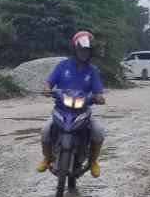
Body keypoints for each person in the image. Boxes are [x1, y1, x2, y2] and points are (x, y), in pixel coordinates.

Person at [36, 30, 107, 177]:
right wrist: (47, 89)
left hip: (83, 111)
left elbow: (98, 90)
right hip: (61, 109)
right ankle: (47, 157)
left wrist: (99, 97)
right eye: (82, 50)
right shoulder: (63, 66)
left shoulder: (92, 71)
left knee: (98, 132)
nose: (84, 53)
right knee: (45, 131)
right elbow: (49, 82)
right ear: (75, 49)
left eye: (87, 50)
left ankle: (93, 161)